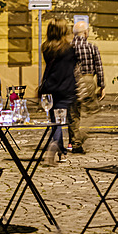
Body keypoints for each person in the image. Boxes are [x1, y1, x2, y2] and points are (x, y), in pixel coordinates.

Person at [39, 18, 76, 164]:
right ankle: (56, 147)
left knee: (55, 121)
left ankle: (61, 151)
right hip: (65, 89)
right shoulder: (69, 49)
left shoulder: (46, 48)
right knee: (61, 121)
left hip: (50, 89)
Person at [68, 21, 105, 154]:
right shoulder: (92, 47)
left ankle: (75, 142)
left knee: (73, 114)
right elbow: (99, 67)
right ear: (85, 32)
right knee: (93, 111)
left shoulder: (69, 48)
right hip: (89, 80)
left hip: (72, 82)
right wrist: (102, 86)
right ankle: (81, 136)